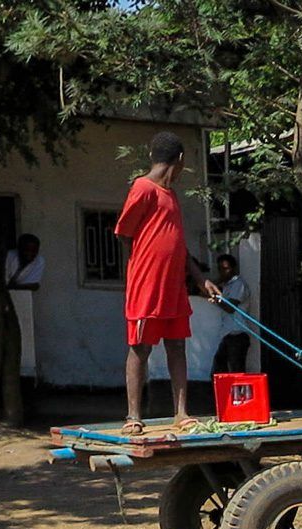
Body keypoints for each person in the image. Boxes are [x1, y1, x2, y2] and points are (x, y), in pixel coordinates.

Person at [114, 132, 218, 434]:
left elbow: (178, 245)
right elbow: (124, 233)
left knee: (177, 346)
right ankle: (133, 416)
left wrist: (200, 279)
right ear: (180, 160)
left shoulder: (170, 195)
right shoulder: (143, 188)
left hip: (174, 288)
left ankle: (181, 413)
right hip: (147, 287)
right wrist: (148, 266)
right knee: (140, 348)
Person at [209, 252, 253, 375]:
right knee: (219, 369)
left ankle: (240, 393)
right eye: (220, 269)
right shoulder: (228, 285)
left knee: (236, 370)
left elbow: (230, 308)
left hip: (237, 334)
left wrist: (217, 300)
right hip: (228, 334)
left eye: (226, 269)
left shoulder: (239, 284)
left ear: (233, 269)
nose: (222, 272)